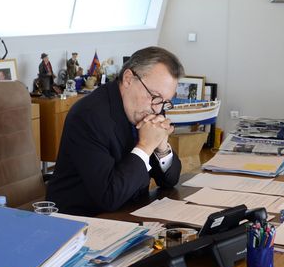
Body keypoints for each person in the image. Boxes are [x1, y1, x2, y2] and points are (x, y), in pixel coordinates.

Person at [46, 46, 184, 216]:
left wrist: (162, 148)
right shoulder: (88, 116)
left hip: (129, 212)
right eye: (154, 96)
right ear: (128, 79)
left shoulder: (153, 106)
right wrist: (146, 146)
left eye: (165, 102)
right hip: (80, 222)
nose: (158, 110)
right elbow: (109, 196)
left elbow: (170, 180)